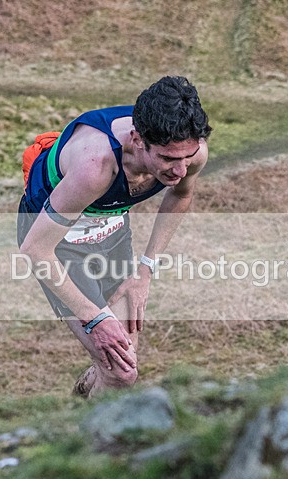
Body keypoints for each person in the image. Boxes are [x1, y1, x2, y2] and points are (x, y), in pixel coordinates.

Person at [17, 76, 211, 398]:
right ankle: (90, 440)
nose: (179, 171)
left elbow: (180, 195)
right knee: (121, 372)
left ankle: (84, 401)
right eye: (166, 159)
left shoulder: (191, 153)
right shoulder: (96, 166)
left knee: (121, 368)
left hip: (112, 232)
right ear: (137, 140)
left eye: (186, 158)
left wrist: (144, 270)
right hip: (57, 245)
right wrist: (94, 319)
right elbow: (36, 249)